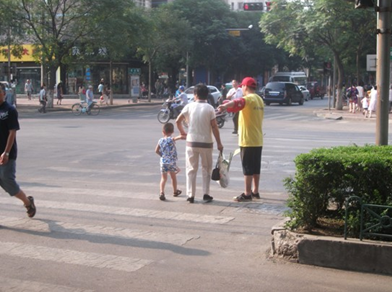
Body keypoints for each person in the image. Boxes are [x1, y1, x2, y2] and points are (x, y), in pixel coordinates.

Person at [217, 77, 264, 202]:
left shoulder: (248, 99)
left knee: (247, 168)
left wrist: (225, 106)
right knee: (255, 167)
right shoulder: (259, 99)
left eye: (242, 86)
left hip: (248, 139)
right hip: (258, 139)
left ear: (245, 87)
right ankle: (255, 191)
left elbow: (238, 102)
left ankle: (247, 193)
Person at [176, 83, 223, 204]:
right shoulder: (210, 108)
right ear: (207, 95)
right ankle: (206, 194)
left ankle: (190, 195)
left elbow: (178, 121)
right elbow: (214, 127)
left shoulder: (189, 106)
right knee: (206, 169)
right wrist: (219, 143)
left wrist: (183, 132)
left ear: (195, 94)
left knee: (191, 169)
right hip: (206, 143)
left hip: (191, 142)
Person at [0, 83, 36, 218]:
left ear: (4, 93)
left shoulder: (10, 110)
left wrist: (6, 152)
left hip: (7, 154)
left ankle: (27, 202)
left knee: (8, 182)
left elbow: (12, 132)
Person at [155, 123, 183, 201]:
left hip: (163, 162)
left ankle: (161, 192)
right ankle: (175, 191)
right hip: (171, 162)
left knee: (163, 178)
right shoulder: (171, 139)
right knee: (173, 178)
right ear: (173, 131)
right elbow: (179, 137)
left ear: (163, 131)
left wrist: (163, 156)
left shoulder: (160, 140)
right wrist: (183, 135)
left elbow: (156, 150)